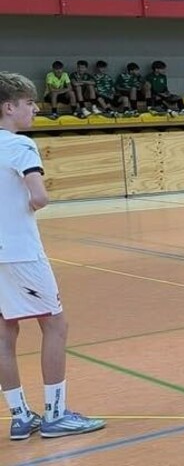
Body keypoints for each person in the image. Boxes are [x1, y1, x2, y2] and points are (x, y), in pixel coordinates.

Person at [0, 72, 107, 439]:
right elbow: (40, 196)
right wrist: (29, 205)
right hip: (19, 253)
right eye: (29, 102)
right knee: (55, 325)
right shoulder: (20, 145)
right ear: (9, 107)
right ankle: (56, 414)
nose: (35, 108)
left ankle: (19, 417)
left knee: (5, 332)